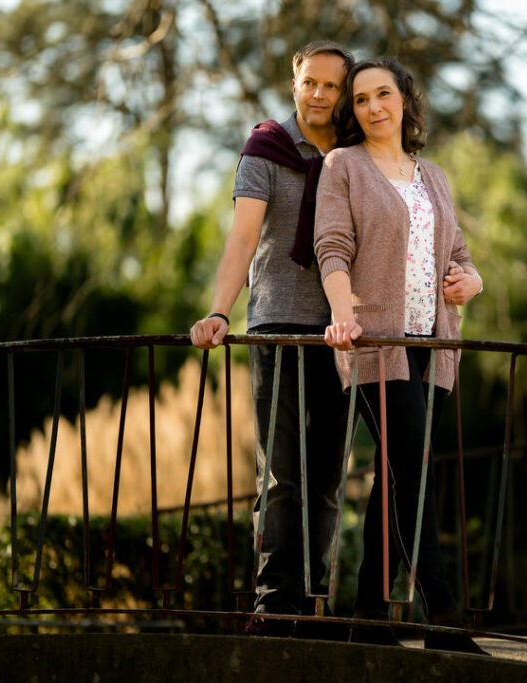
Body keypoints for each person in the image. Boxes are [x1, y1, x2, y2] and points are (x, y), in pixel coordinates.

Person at [314, 57, 487, 654]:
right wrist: (343, 315)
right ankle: (443, 615)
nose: (373, 107)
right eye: (361, 99)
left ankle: (367, 615)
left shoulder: (432, 175)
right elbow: (332, 248)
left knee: (398, 475)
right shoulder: (343, 166)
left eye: (382, 94)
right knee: (413, 471)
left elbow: (459, 253)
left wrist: (472, 282)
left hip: (433, 347)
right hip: (374, 343)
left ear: (404, 101)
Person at [189, 40, 354, 633]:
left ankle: (314, 602)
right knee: (281, 475)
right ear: (294, 84)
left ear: (344, 92)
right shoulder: (266, 147)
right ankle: (274, 605)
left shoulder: (358, 154)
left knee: (327, 478)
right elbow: (241, 239)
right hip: (276, 326)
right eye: (310, 82)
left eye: (332, 85)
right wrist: (219, 311)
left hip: (342, 332)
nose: (319, 94)